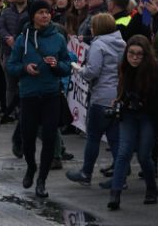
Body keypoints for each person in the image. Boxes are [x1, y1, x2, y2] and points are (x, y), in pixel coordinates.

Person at [6, 0, 71, 199]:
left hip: (51, 94)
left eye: (48, 12)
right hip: (29, 95)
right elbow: (11, 65)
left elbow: (67, 65)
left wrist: (56, 65)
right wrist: (25, 69)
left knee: (50, 137)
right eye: (41, 12)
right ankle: (31, 167)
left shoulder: (58, 38)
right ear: (33, 16)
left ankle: (42, 180)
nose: (45, 16)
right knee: (28, 137)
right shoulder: (22, 39)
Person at [106, 35, 158, 210]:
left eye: (139, 54)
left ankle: (151, 188)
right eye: (131, 54)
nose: (135, 58)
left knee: (144, 155)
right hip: (129, 113)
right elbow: (122, 86)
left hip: (149, 115)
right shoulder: (125, 67)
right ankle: (115, 194)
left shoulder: (155, 71)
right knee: (123, 153)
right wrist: (119, 99)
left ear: (146, 55)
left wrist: (145, 100)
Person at [65, 13, 124, 186]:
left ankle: (86, 172)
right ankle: (120, 176)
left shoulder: (98, 45)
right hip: (117, 94)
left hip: (101, 96)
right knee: (115, 138)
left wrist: (78, 69)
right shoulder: (122, 43)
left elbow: (92, 72)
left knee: (93, 137)